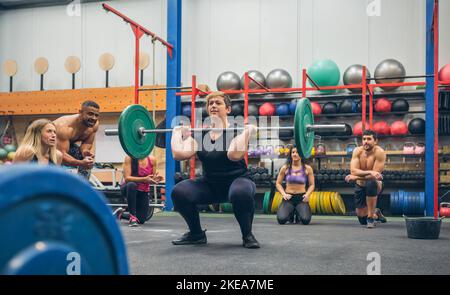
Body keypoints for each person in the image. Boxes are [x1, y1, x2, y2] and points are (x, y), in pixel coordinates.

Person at [170, 91, 260, 249]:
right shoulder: (200, 135)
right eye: (210, 103)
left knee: (240, 192)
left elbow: (233, 155)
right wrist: (176, 133)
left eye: (218, 103)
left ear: (228, 109)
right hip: (210, 185)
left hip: (238, 181)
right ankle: (196, 234)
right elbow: (178, 154)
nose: (213, 106)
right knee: (179, 192)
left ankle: (247, 235)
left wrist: (249, 131)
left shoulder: (238, 130)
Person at [345, 129, 387, 228]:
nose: (365, 141)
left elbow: (374, 176)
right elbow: (353, 171)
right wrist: (369, 171)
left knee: (371, 182)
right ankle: (375, 212)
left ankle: (371, 218)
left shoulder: (380, 152)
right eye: (364, 139)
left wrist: (355, 177)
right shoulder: (357, 151)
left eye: (369, 139)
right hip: (360, 185)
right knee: (362, 219)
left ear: (375, 141)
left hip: (375, 186)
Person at [53, 101, 100, 179]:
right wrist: (80, 163)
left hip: (65, 146)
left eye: (96, 115)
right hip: (47, 147)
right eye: (90, 114)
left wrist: (84, 151)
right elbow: (62, 155)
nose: (94, 118)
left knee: (87, 161)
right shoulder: (64, 126)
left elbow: (87, 143)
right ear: (80, 112)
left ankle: (82, 186)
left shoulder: (94, 125)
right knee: (58, 162)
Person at [114, 155, 163, 227]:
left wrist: (156, 179)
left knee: (141, 220)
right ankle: (132, 218)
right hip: (129, 189)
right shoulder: (129, 158)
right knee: (132, 185)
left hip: (143, 191)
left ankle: (121, 214)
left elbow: (151, 178)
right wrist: (144, 179)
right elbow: (127, 178)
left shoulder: (152, 160)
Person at [275, 145, 315, 225]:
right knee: (281, 220)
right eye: (293, 152)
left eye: (297, 152)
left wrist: (307, 195)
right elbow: (278, 183)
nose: (295, 154)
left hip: (301, 198)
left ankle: (298, 212)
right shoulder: (285, 168)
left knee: (305, 220)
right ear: (290, 154)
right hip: (288, 198)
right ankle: (291, 212)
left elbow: (312, 185)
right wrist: (284, 194)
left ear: (301, 155)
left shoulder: (308, 168)